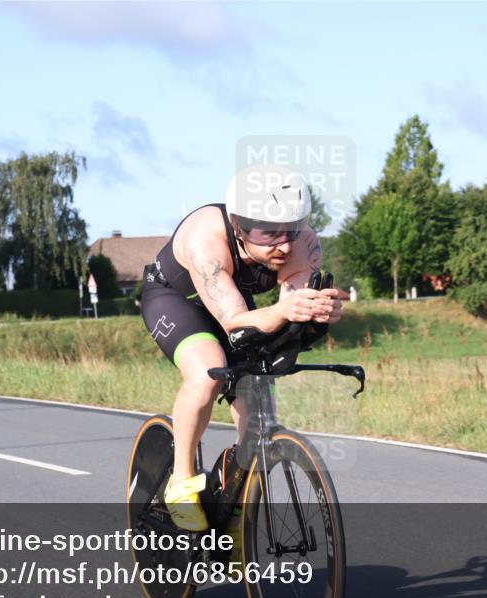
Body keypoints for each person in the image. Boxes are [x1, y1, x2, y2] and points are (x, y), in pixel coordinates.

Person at [140, 164, 343, 531]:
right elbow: (233, 322)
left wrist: (317, 313)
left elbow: (290, 314)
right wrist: (283, 310)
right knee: (207, 373)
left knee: (260, 415)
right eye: (269, 234)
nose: (283, 244)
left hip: (235, 300)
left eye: (291, 230)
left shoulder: (302, 242)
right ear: (239, 225)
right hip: (176, 299)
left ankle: (234, 514)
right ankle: (181, 482)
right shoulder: (207, 239)